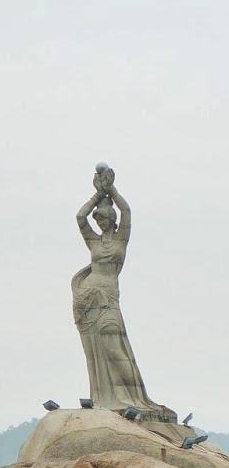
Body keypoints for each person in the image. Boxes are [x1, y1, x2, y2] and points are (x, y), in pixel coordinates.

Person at [72, 166, 171, 418]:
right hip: (87, 302)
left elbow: (126, 211)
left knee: (115, 348)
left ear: (112, 219)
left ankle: (133, 399)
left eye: (103, 218)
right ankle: (104, 398)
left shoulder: (120, 239)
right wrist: (97, 195)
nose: (99, 221)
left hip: (108, 300)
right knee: (95, 354)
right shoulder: (93, 241)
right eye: (98, 219)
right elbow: (80, 217)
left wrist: (111, 190)